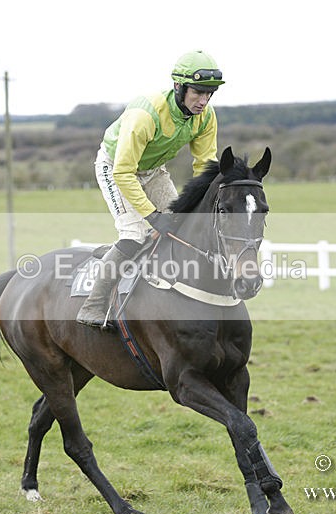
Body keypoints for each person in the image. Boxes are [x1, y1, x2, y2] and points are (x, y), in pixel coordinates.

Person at [76, 50, 225, 328]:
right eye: (198, 93)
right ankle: (93, 305)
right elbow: (123, 171)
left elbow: (205, 166)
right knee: (136, 233)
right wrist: (152, 216)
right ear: (179, 87)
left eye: (209, 94)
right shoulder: (145, 115)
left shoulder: (206, 117)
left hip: (154, 171)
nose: (203, 101)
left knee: (181, 226)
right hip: (116, 167)